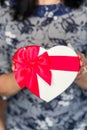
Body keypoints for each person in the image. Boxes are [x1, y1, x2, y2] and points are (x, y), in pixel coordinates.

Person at [0, 0, 87, 130]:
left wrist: (78, 72)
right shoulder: (4, 10)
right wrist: (24, 73)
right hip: (21, 125)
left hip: (78, 123)